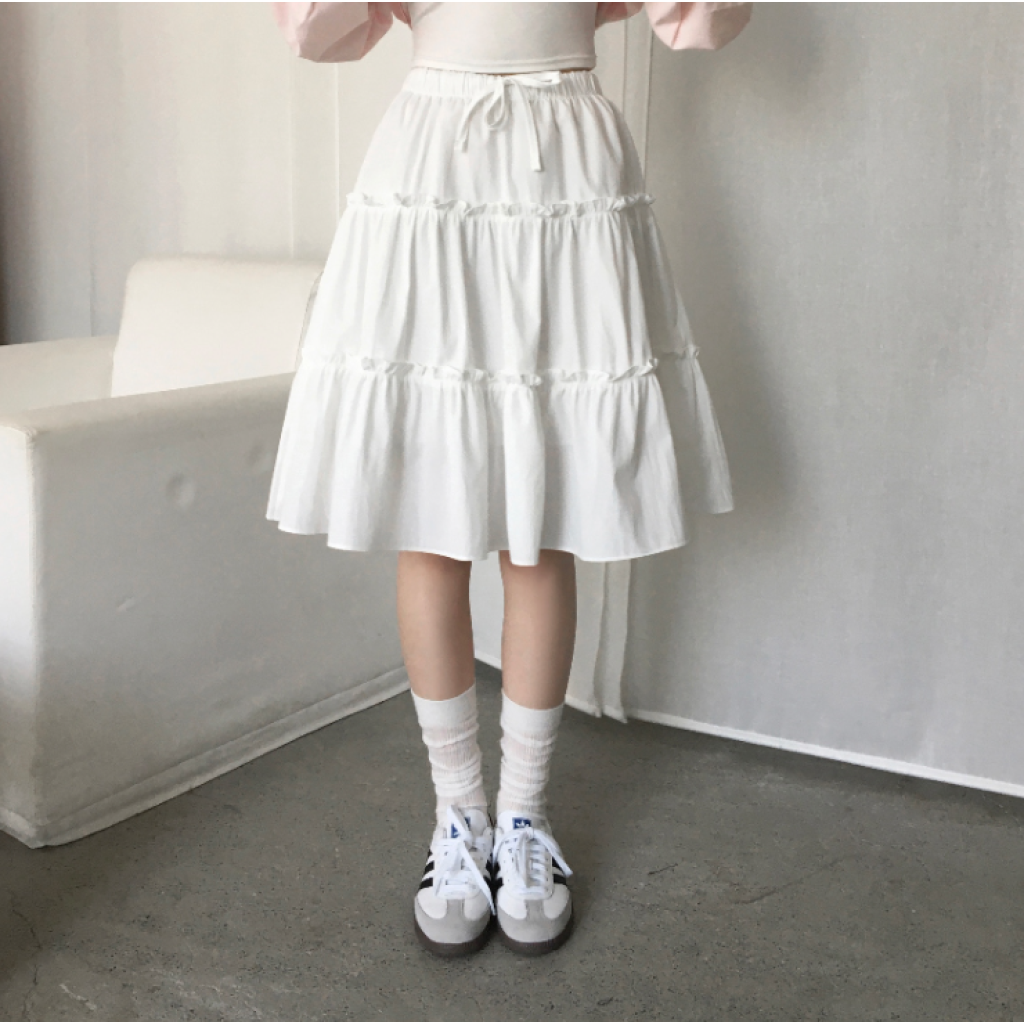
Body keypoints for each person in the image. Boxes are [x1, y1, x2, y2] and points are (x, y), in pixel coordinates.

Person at [268, 1, 751, 957]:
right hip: (434, 171)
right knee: (432, 520)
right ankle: (458, 817)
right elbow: (320, 27)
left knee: (544, 521)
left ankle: (525, 816)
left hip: (563, 169)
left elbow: (696, 17)